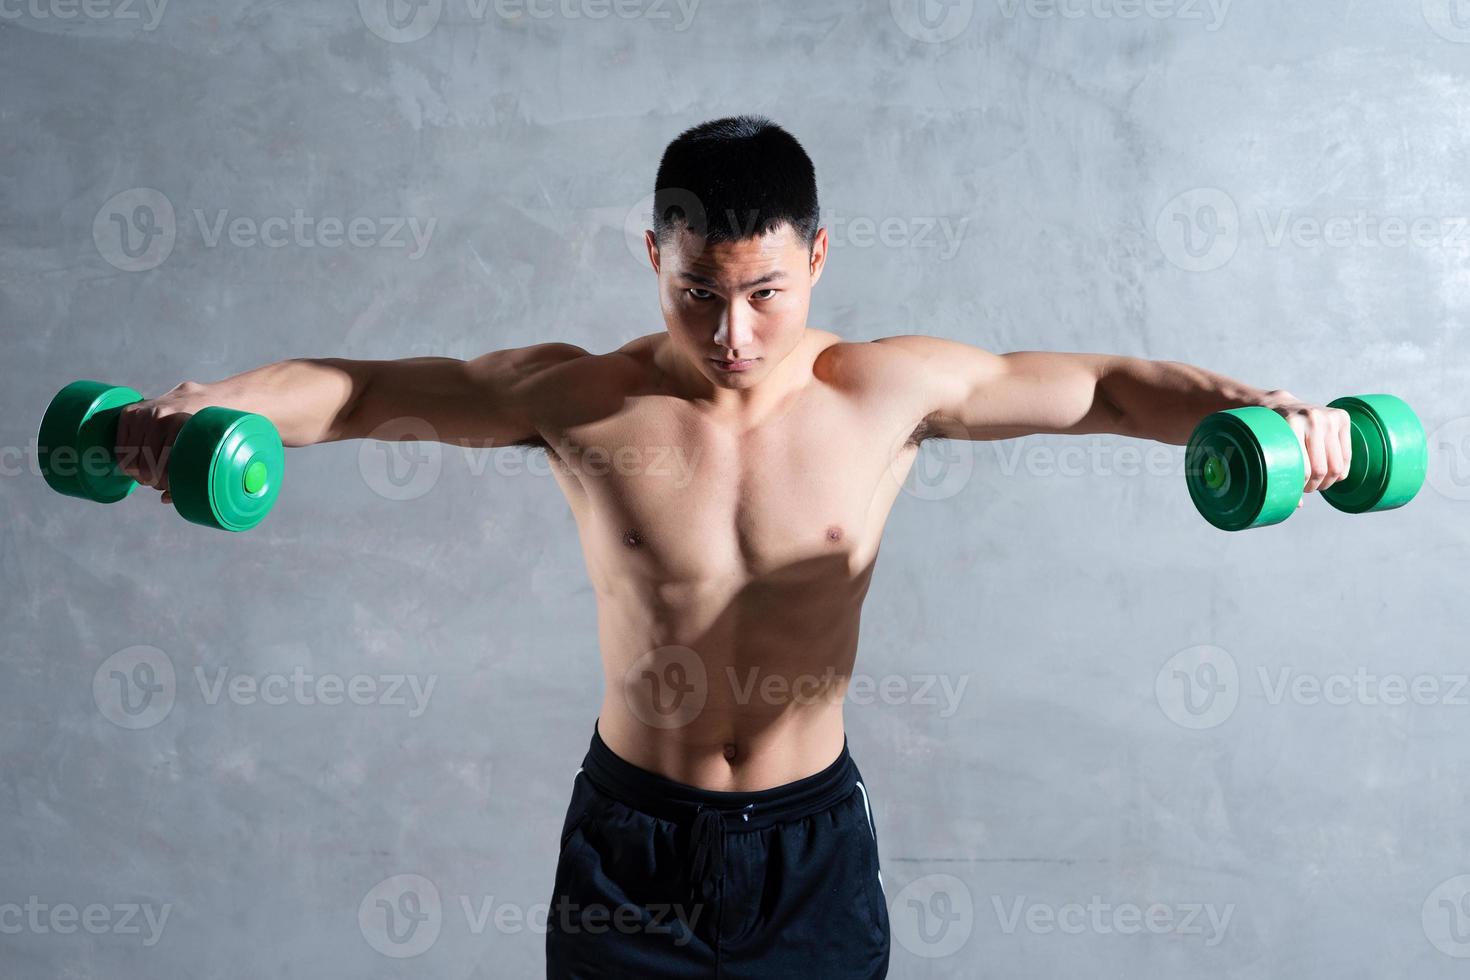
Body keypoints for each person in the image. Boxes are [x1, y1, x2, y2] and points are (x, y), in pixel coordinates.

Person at [114, 115, 1354, 978]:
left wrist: (1275, 417)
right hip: (629, 839)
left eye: (765, 291)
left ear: (817, 257)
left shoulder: (887, 389)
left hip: (810, 848)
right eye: (698, 292)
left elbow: (1106, 389)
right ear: (653, 258)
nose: (736, 332)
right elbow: (359, 390)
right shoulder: (578, 394)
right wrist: (205, 404)